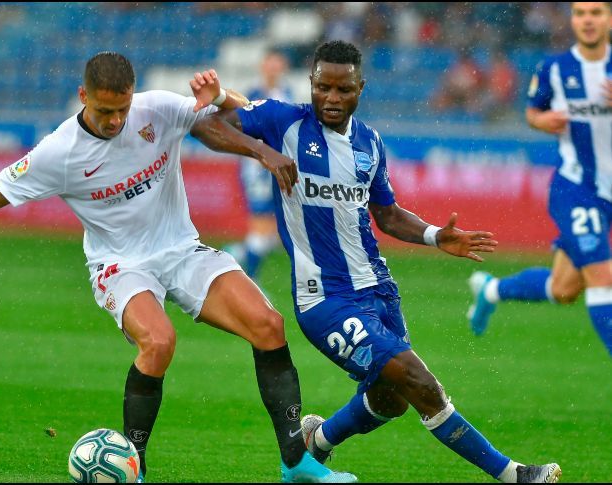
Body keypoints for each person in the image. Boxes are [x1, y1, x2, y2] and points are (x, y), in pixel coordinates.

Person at [0, 52, 356, 483]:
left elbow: (218, 117)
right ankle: (135, 467)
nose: (115, 121)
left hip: (181, 249)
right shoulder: (58, 153)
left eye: (122, 110)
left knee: (268, 325)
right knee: (159, 341)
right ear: (84, 96)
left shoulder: (153, 108)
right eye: (105, 111)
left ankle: (296, 463)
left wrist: (251, 137)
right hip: (119, 265)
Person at [190, 40, 562, 483]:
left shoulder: (370, 142)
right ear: (311, 84)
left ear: (360, 89)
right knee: (420, 383)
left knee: (391, 398)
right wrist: (261, 151)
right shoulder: (281, 121)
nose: (331, 98)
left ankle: (316, 443)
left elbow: (385, 213)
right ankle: (514, 475)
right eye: (323, 87)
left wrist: (434, 236)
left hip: (377, 289)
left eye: (343, 89)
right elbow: (205, 127)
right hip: (325, 301)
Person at [467, 1, 612, 360]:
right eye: (581, 13)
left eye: (596, 12)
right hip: (577, 188)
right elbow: (533, 111)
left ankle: (491, 290)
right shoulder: (555, 68)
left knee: (564, 289)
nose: (588, 20)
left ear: (608, 18)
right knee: (602, 277)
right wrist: (540, 121)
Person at [226, 50, 293, 282]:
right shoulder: (252, 95)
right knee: (261, 226)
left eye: (278, 66)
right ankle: (250, 279)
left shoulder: (286, 94)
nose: (274, 70)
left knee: (273, 232)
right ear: (263, 67)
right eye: (270, 66)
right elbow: (243, 128)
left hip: (277, 165)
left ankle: (235, 255)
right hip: (258, 168)